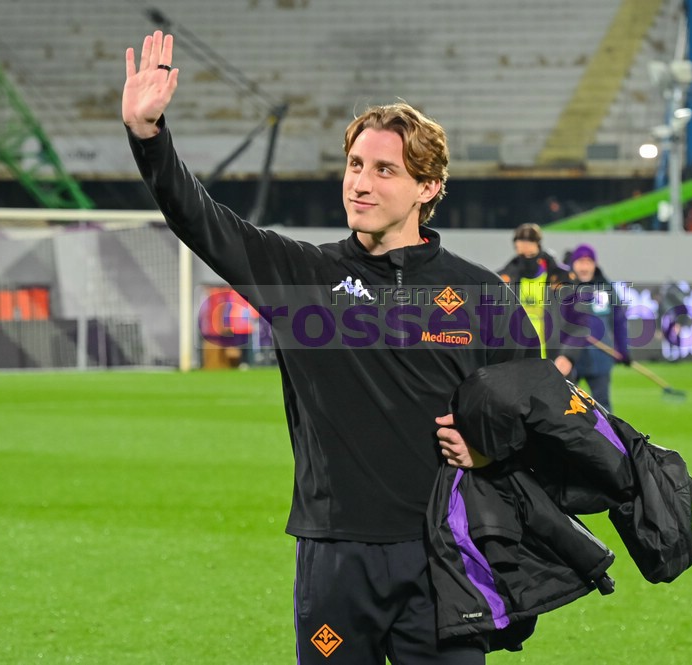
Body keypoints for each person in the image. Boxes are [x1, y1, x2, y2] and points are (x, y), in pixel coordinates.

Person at [122, 31, 535, 664]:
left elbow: (532, 406)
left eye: (384, 170)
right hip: (336, 559)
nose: (360, 183)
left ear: (428, 187)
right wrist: (149, 136)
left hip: (446, 553)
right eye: (355, 165)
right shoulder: (303, 280)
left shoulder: (480, 294)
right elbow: (200, 219)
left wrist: (487, 448)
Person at [553, 243, 630, 412]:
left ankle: (607, 431)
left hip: (600, 357)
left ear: (595, 264)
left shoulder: (606, 288)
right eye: (580, 262)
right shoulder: (563, 288)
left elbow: (619, 321)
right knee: (567, 406)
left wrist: (623, 350)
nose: (584, 267)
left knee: (603, 407)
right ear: (573, 264)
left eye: (589, 262)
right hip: (571, 358)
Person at [497, 223, 569, 357]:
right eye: (521, 241)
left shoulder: (557, 274)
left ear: (537, 244)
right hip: (518, 344)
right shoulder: (507, 274)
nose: (525, 246)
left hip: (552, 345)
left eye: (529, 241)